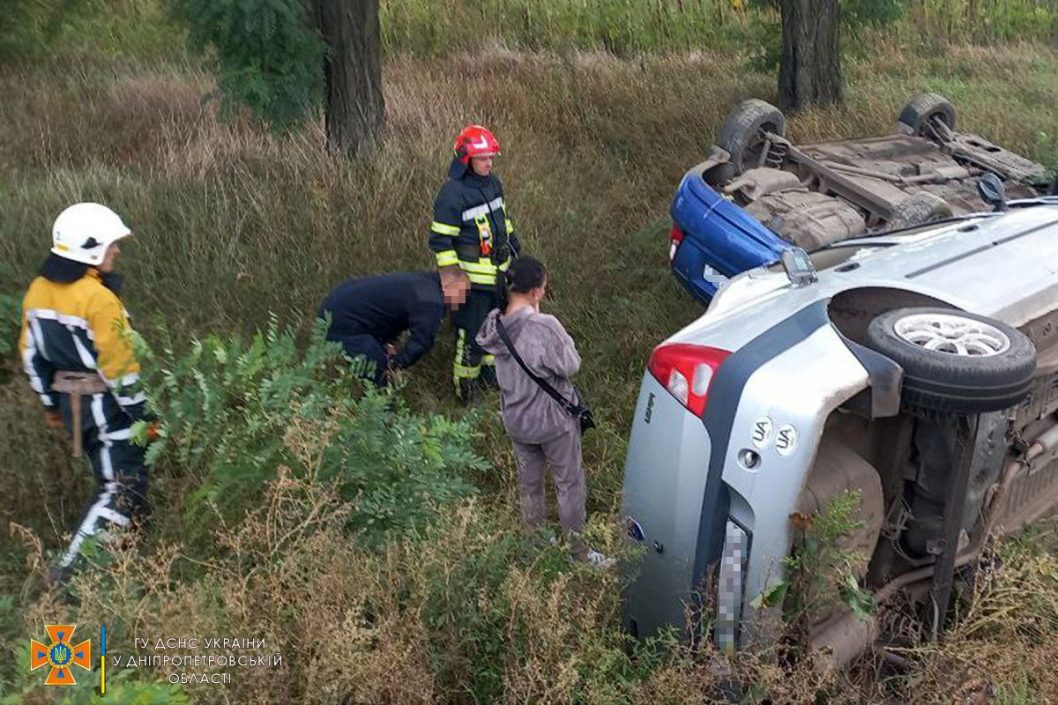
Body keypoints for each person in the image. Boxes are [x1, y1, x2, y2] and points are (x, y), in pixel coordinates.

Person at [19, 202, 149, 584]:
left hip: (72, 405)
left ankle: (122, 570)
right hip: (106, 407)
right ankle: (71, 573)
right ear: (89, 249)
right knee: (122, 488)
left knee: (120, 484)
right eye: (111, 245)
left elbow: (30, 357)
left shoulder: (37, 292)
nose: (116, 251)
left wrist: (50, 405)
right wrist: (144, 415)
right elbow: (121, 368)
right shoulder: (99, 299)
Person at [476, 257, 612, 567]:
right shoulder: (543, 326)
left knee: (530, 485)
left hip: (517, 421)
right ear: (536, 292)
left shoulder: (494, 324)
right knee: (569, 484)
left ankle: (535, 544)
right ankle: (579, 554)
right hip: (552, 422)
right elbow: (570, 364)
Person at [428, 124, 522, 404]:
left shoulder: (493, 184)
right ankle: (466, 391)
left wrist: (514, 244)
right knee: (472, 334)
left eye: (491, 157)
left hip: (498, 275)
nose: (489, 163)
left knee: (497, 329)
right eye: (483, 158)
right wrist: (453, 278)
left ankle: (489, 377)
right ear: (466, 160)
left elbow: (502, 220)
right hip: (471, 281)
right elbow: (440, 241)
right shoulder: (452, 194)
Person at [318, 268, 470, 386]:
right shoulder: (430, 299)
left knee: (377, 362)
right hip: (341, 320)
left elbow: (386, 313)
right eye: (463, 293)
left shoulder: (423, 283)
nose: (464, 300)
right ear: (448, 285)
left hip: (337, 308)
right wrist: (396, 363)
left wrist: (386, 345)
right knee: (377, 371)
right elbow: (422, 341)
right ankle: (378, 422)